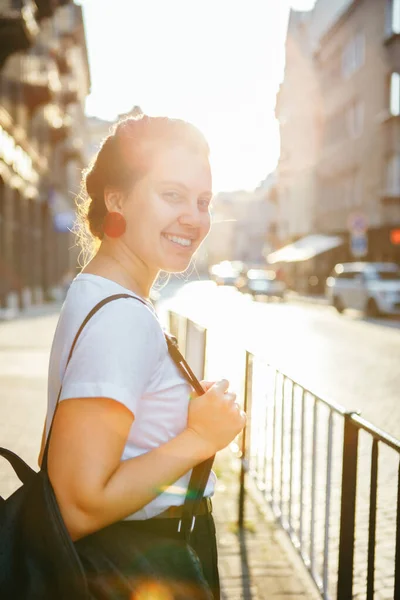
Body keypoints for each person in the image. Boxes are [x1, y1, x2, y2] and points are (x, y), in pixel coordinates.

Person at [38, 114, 246, 599]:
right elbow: (77, 506)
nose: (194, 218)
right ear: (117, 198)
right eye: (171, 195)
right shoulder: (121, 317)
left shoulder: (100, 294)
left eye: (203, 202)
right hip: (135, 568)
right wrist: (200, 436)